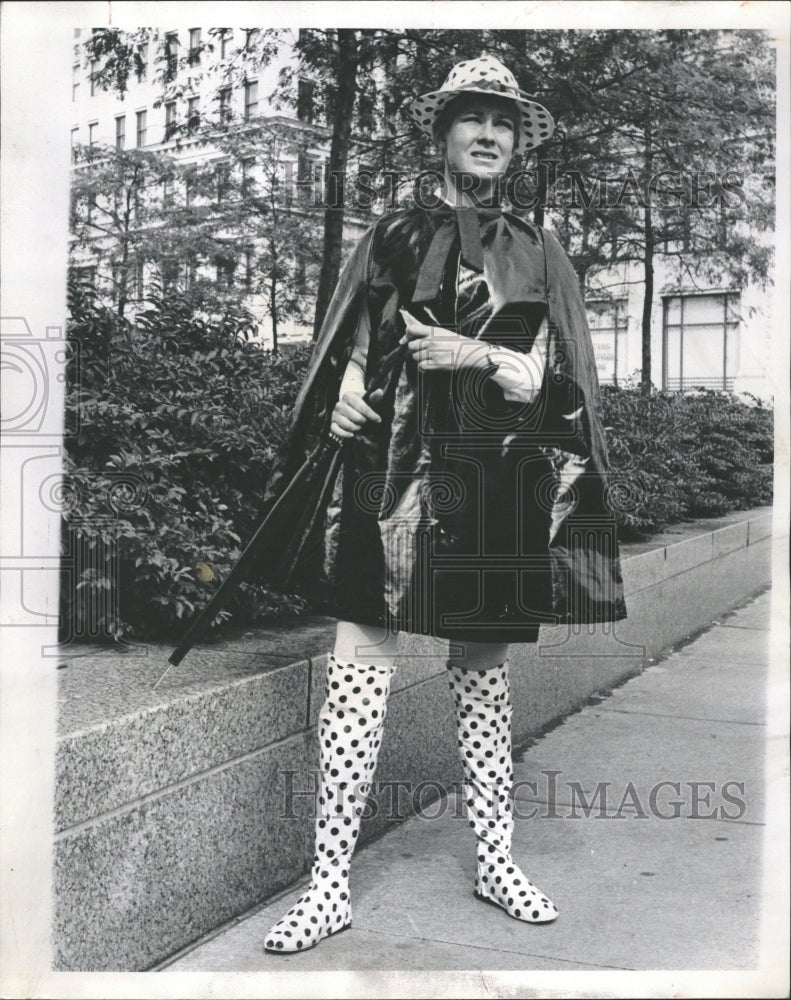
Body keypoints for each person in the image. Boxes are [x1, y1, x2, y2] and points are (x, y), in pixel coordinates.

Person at [262, 54, 626, 953]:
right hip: (386, 476)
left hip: (494, 477)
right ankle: (329, 884)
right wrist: (345, 394)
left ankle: (496, 859)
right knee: (357, 673)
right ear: (443, 132)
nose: (489, 133)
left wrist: (482, 359)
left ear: (517, 142)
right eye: (473, 117)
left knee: (482, 680)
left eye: (503, 122)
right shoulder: (389, 234)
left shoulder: (541, 250)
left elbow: (563, 383)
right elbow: (351, 349)